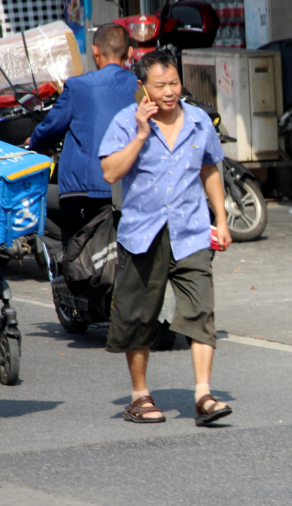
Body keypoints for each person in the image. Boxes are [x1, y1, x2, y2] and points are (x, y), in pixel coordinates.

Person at [99, 51, 233, 425]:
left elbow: (209, 169)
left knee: (200, 311)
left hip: (191, 233)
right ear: (143, 86)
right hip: (143, 234)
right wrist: (142, 134)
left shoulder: (199, 120)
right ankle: (140, 396)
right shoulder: (126, 122)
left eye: (174, 83)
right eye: (161, 85)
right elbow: (111, 172)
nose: (170, 91)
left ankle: (203, 395)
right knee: (139, 317)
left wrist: (221, 218)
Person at [29, 23, 137, 241]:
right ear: (129, 52)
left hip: (86, 193)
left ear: (95, 51)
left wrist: (34, 142)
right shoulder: (141, 86)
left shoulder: (78, 86)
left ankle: (70, 257)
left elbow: (49, 129)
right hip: (132, 187)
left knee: (32, 199)